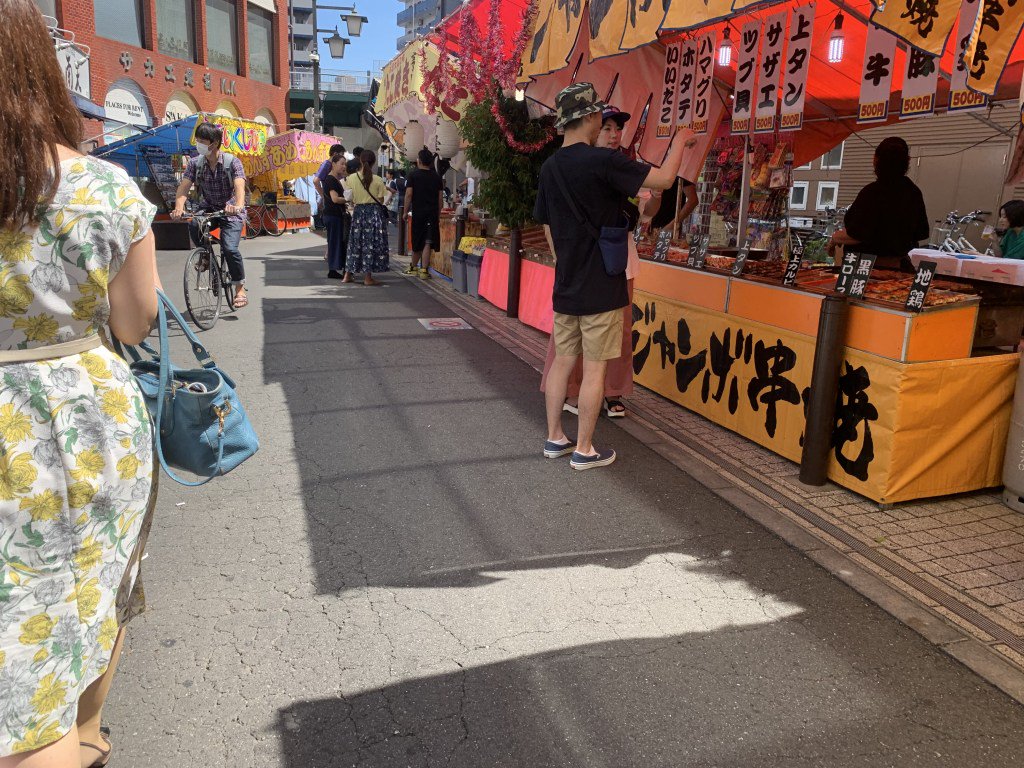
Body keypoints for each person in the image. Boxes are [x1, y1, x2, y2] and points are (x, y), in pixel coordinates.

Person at [0, 3, 160, 765]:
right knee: (93, 583)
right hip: (85, 413)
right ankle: (85, 733)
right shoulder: (105, 187)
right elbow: (134, 321)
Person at [535, 82, 694, 470]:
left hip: (566, 283)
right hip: (602, 284)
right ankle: (584, 449)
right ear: (590, 117)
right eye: (599, 117)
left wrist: (564, 262)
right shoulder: (603, 161)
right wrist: (680, 141)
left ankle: (554, 438)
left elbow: (547, 225)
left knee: (562, 362)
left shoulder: (550, 167)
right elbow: (664, 181)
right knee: (595, 368)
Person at [540, 106, 643, 419]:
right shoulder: (594, 164)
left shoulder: (620, 167)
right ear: (592, 126)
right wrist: (677, 144)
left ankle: (606, 397)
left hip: (614, 266)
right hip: (588, 272)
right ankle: (582, 434)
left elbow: (645, 212)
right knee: (580, 355)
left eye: (617, 129)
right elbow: (549, 223)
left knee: (610, 342)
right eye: (606, 127)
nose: (612, 135)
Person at [171, 121, 249, 308]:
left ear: (214, 143)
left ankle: (239, 288)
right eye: (197, 140)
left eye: (202, 141)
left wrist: (237, 205)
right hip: (208, 208)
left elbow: (239, 186)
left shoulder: (232, 162)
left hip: (230, 211)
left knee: (230, 249)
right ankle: (205, 255)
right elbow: (184, 187)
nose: (198, 144)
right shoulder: (195, 163)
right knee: (194, 224)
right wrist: (178, 207)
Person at [829, 136, 929, 271]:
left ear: (875, 160)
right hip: (900, 269)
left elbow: (857, 234)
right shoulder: (913, 192)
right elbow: (920, 233)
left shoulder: (872, 193)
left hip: (867, 270)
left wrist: (835, 237)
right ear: (908, 161)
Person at [343, 150, 390, 285]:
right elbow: (381, 200)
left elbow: (349, 198)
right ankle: (368, 278)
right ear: (374, 162)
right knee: (370, 244)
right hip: (374, 214)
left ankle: (347, 275)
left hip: (358, 213)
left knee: (355, 243)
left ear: (360, 161)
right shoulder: (378, 179)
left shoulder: (351, 178)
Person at [403, 149, 444, 279]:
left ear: (419, 160)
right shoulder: (437, 177)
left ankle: (413, 267)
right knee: (427, 241)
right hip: (432, 213)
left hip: (418, 213)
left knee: (417, 240)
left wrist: (405, 211)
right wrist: (438, 213)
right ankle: (424, 270)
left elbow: (409, 194)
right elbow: (440, 199)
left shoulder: (413, 175)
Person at [322, 152, 349, 279]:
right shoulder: (331, 179)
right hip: (333, 215)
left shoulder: (334, 179)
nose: (344, 166)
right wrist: (348, 199)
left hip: (333, 215)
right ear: (333, 164)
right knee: (334, 241)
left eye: (345, 164)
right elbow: (335, 199)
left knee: (336, 241)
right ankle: (332, 270)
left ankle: (334, 268)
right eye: (341, 164)